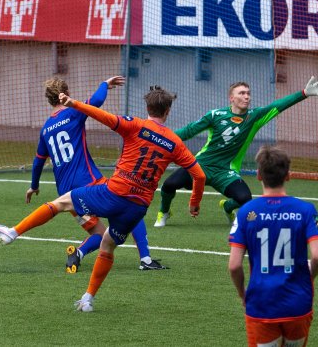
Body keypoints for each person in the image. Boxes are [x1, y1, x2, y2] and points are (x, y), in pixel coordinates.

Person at [46, 85, 206, 312]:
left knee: (64, 202)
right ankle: (89, 297)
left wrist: (74, 104)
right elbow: (199, 175)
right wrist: (194, 203)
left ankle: (14, 232)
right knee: (108, 245)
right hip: (137, 206)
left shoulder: (135, 125)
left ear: (147, 107)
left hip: (114, 193)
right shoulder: (174, 142)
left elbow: (102, 116)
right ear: (168, 111)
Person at [0, 76, 166, 272]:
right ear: (67, 94)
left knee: (99, 233)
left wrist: (34, 186)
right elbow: (96, 101)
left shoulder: (46, 129)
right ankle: (146, 259)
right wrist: (105, 84)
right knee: (130, 209)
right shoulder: (73, 113)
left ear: (48, 99)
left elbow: (38, 161)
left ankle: (76, 253)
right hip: (89, 182)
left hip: (66, 192)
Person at [154, 76, 318, 227]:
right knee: (169, 185)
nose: (247, 97)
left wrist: (304, 93)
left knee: (245, 198)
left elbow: (278, 105)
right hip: (201, 165)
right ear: (231, 98)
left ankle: (227, 207)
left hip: (226, 172)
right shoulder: (215, 115)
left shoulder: (254, 117)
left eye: (248, 93)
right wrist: (159, 137)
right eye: (242, 93)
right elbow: (188, 131)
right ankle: (164, 212)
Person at [228, 145, 318, 347]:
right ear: (288, 175)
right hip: (298, 302)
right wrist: (308, 278)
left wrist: (242, 294)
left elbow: (234, 265)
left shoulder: (246, 212)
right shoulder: (305, 210)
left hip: (261, 303)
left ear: (258, 175)